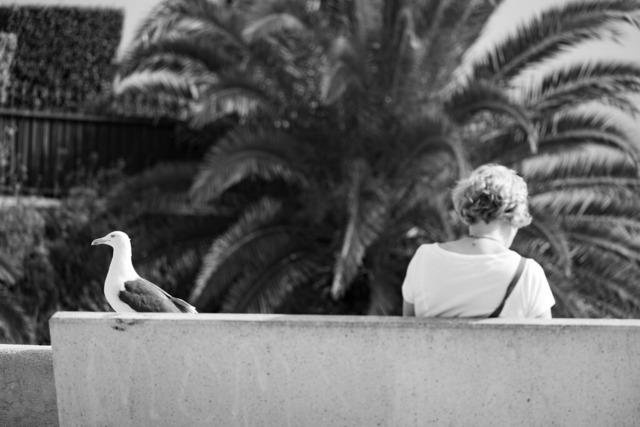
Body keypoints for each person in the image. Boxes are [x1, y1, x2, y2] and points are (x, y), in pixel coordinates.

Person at [402, 164, 555, 318]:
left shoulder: (425, 258)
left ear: (465, 208)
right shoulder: (528, 273)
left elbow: (406, 326)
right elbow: (545, 333)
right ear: (515, 214)